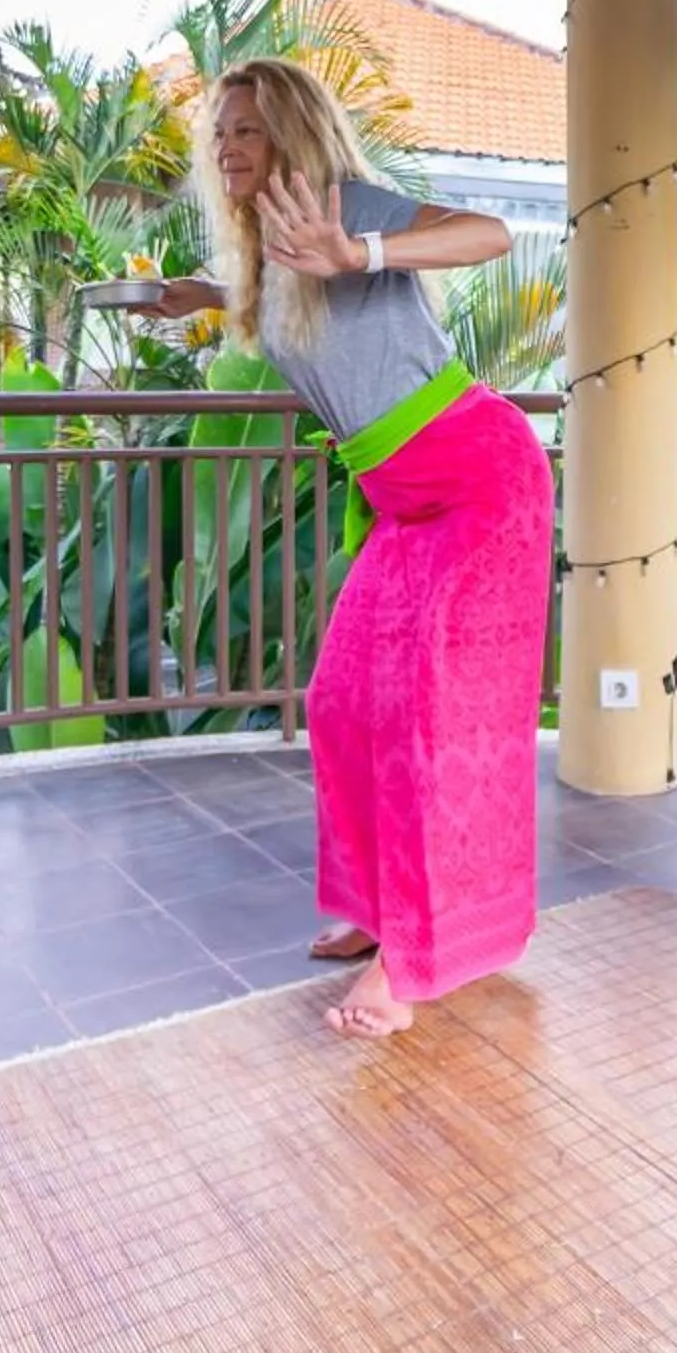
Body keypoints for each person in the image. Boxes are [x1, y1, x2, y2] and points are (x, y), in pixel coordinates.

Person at [138, 59, 553, 1039]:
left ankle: (412, 959)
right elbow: (279, 311)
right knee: (340, 698)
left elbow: (490, 235)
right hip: (404, 499)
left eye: (247, 128)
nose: (230, 148)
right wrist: (195, 293)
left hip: (479, 480)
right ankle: (380, 914)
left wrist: (359, 249)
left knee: (426, 716)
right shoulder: (265, 246)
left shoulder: (342, 205)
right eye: (222, 133)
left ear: (290, 130)